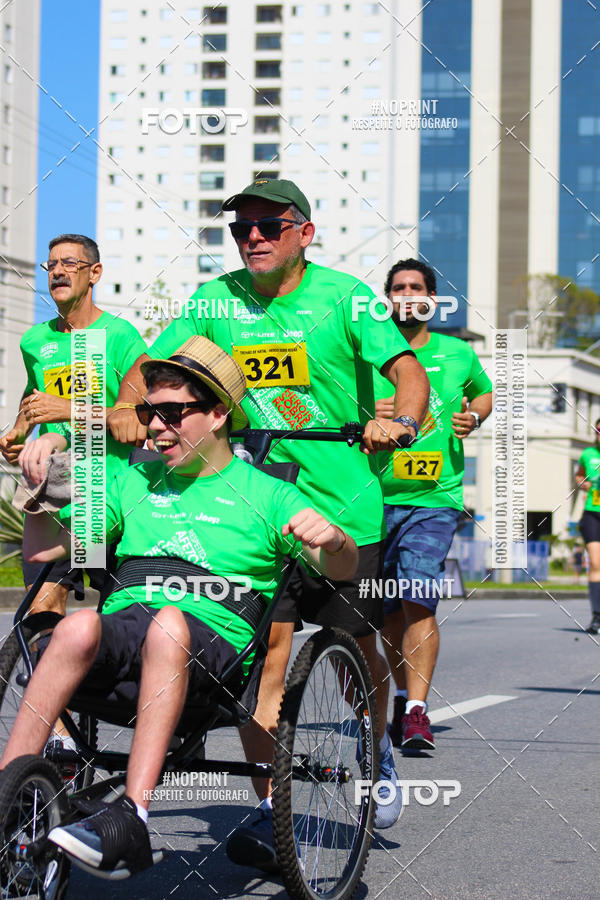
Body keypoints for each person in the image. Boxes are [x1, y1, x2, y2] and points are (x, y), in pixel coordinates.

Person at [108, 178, 430, 854]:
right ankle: (267, 800)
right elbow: (147, 364)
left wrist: (398, 421)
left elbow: (409, 374)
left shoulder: (344, 296)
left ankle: (375, 748)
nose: (252, 236)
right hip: (254, 504)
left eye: (268, 225)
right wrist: (124, 406)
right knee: (269, 660)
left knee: (354, 656)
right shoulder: (215, 298)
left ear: (303, 233)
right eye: (240, 228)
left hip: (342, 508)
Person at [0, 336, 358, 877]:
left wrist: (333, 540)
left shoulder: (268, 495)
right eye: (148, 413)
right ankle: (11, 802)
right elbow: (45, 551)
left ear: (217, 414)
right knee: (75, 627)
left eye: (171, 413)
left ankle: (134, 819)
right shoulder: (132, 481)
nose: (155, 427)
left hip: (211, 660)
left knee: (167, 624)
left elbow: (343, 570)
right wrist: (41, 489)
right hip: (127, 636)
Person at [373, 259, 493, 750]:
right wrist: (366, 412)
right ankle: (404, 698)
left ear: (431, 298)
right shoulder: (369, 354)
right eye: (398, 287)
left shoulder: (457, 353)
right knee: (385, 613)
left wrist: (473, 418)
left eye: (416, 287)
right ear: (387, 298)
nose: (406, 294)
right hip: (372, 496)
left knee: (417, 595)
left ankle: (418, 712)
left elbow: (484, 395)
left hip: (433, 497)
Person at [0, 233, 147, 617]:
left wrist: (65, 410)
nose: (58, 272)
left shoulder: (119, 336)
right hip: (54, 497)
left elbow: (131, 419)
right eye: (52, 265)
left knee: (119, 623)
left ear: (94, 273)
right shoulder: (35, 340)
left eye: (70, 264)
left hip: (109, 500)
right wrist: (18, 431)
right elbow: (34, 394)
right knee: (40, 615)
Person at [574, 418, 600, 633]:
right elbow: (579, 475)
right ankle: (597, 617)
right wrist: (584, 484)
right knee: (595, 565)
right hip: (592, 513)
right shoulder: (588, 454)